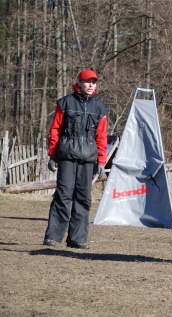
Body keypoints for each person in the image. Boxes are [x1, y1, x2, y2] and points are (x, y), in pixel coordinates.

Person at [43, 69, 108, 249]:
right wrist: (53, 154)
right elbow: (55, 129)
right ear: (78, 83)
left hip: (88, 160)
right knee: (63, 196)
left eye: (93, 82)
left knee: (83, 198)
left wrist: (102, 161)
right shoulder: (65, 103)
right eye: (87, 82)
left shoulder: (100, 108)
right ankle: (53, 237)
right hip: (66, 157)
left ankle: (77, 238)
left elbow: (101, 137)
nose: (90, 85)